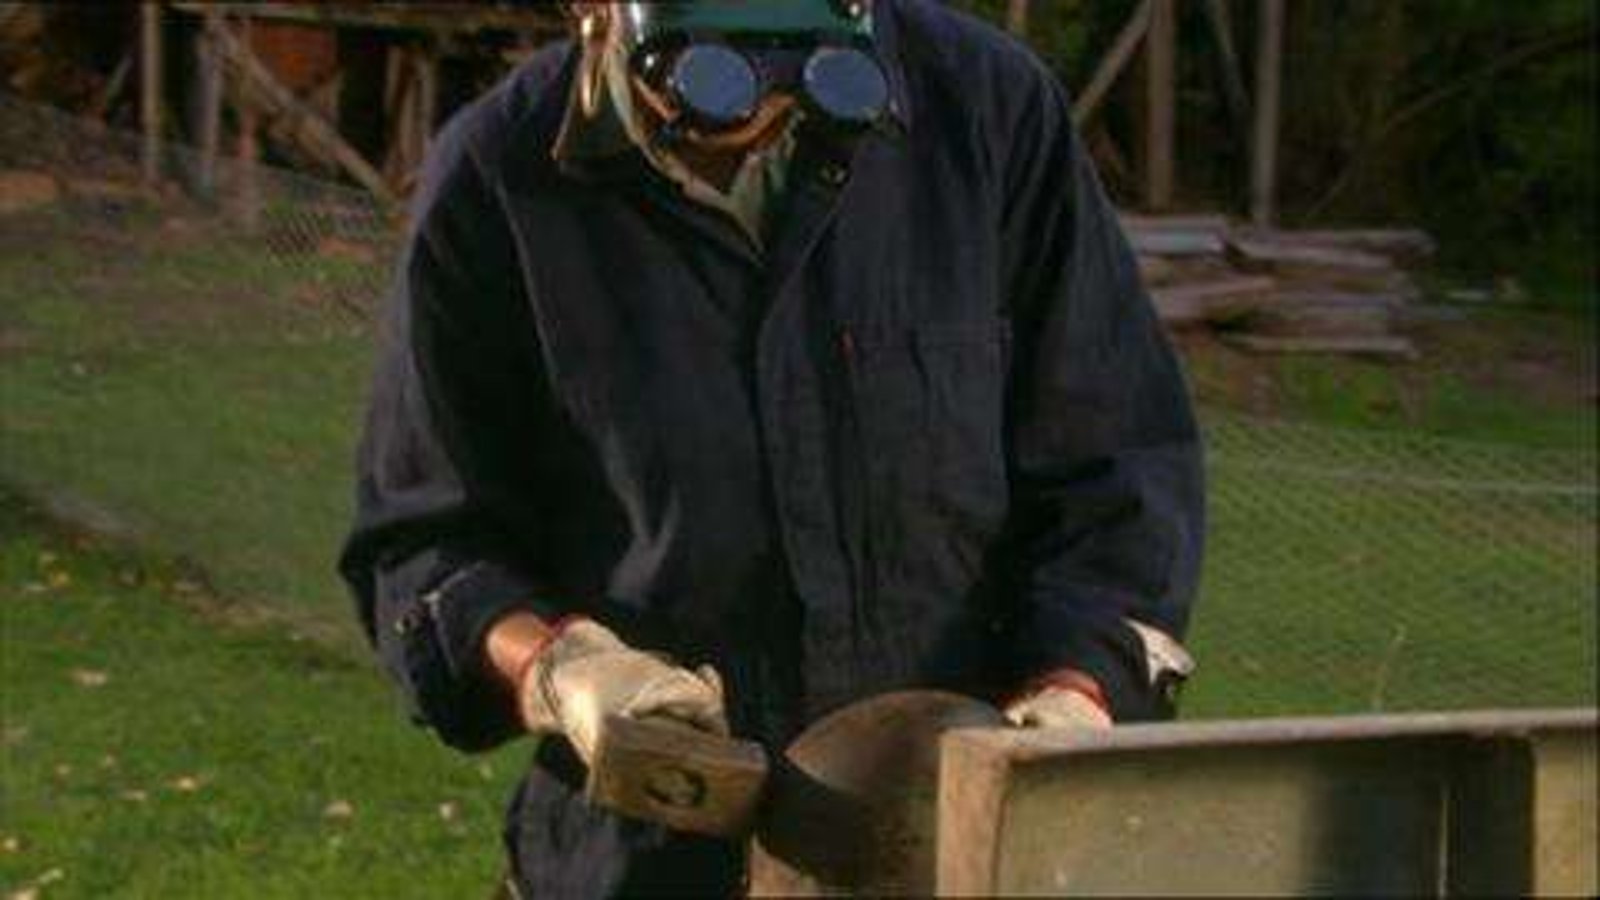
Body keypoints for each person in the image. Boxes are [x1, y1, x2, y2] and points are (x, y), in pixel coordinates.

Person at [339, 1, 1206, 896]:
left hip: (954, 852)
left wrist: (1077, 691)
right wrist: (557, 667)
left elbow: (1121, 468)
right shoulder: (499, 175)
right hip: (647, 866)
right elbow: (424, 549)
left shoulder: (987, 112)